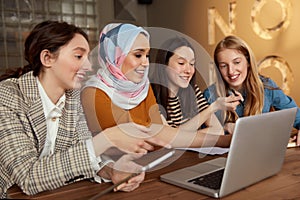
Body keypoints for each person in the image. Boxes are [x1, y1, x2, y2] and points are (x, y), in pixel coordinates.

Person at [0, 20, 168, 198]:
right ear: (47, 58)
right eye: (79, 57)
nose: (88, 66)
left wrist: (112, 171)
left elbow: (82, 152)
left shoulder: (73, 98)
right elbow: (28, 178)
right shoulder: (7, 97)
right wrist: (108, 139)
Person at [81, 23, 232, 149]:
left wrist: (222, 141)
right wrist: (221, 140)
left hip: (148, 166)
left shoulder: (143, 88)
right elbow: (139, 140)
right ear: (115, 55)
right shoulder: (94, 92)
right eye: (138, 55)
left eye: (147, 55)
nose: (146, 62)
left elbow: (160, 133)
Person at [203, 35, 300, 145]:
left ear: (248, 62)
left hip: (262, 154)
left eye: (236, 62)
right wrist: (225, 128)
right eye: (224, 66)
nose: (231, 71)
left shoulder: (266, 87)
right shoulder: (209, 95)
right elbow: (198, 137)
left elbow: (296, 116)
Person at [150, 36, 241, 134]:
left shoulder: (192, 90)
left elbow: (217, 130)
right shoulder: (150, 95)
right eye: (181, 63)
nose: (189, 70)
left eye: (192, 64)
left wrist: (183, 136)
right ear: (164, 64)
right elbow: (169, 138)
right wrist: (213, 107)